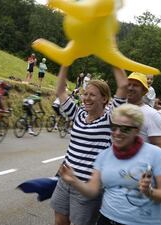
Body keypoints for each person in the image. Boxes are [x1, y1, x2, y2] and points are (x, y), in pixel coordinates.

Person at [58, 103, 161, 225]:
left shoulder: (155, 153)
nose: (117, 133)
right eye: (114, 127)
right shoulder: (104, 155)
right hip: (107, 219)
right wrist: (74, 180)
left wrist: (149, 191)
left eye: (125, 129)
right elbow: (92, 191)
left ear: (137, 131)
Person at [51, 66, 128, 225]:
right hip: (64, 180)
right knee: (60, 221)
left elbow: (123, 86)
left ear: (104, 99)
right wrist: (65, 63)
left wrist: (112, 59)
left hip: (87, 187)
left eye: (92, 95)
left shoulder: (110, 119)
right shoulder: (78, 114)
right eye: (85, 94)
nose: (86, 98)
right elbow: (60, 90)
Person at [127, 72, 161, 153]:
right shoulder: (119, 110)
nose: (130, 88)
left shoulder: (152, 115)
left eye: (135, 85)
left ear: (144, 91)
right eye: (128, 84)